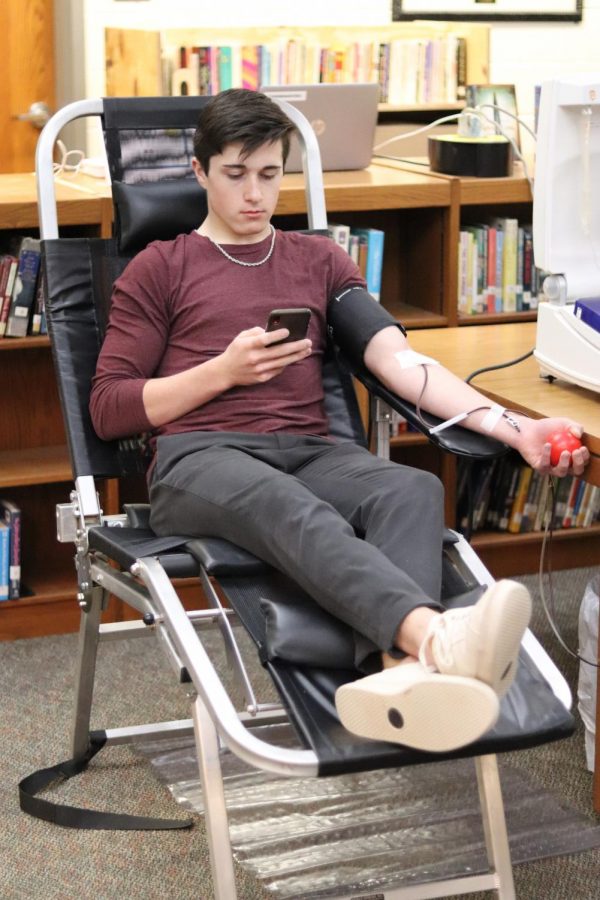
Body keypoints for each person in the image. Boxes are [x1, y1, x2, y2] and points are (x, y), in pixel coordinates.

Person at [90, 89, 589, 753]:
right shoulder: (162, 266)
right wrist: (224, 372)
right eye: (235, 175)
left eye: (269, 174)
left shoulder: (320, 260)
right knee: (294, 506)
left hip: (311, 448)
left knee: (410, 488)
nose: (254, 195)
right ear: (201, 170)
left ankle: (394, 677)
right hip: (200, 457)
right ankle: (434, 640)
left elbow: (398, 362)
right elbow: (110, 405)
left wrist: (511, 427)